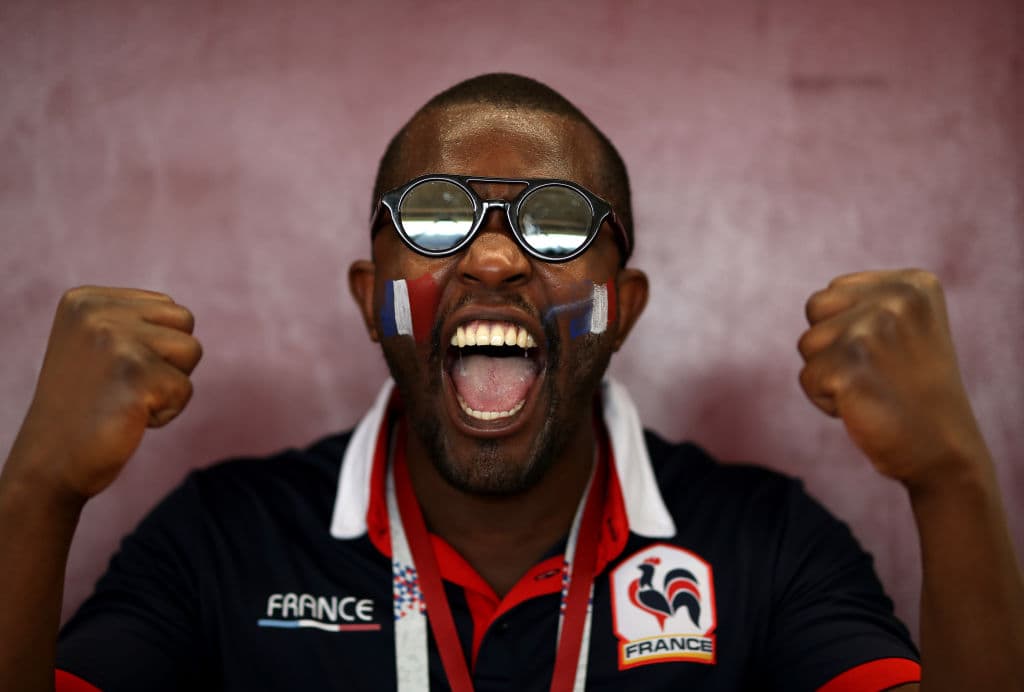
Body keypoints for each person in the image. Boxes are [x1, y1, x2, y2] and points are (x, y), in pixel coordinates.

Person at [0, 73, 1020, 692]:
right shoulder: (223, 537)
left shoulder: (767, 541)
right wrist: (36, 492)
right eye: (435, 214)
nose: (492, 259)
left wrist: (951, 480)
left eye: (558, 220)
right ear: (372, 299)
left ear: (621, 305)